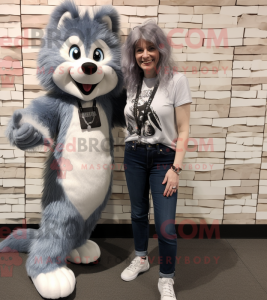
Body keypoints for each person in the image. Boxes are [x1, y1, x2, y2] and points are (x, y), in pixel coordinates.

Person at [120, 20, 192, 300]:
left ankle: (167, 278)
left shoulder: (176, 81)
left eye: (151, 48)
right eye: (139, 50)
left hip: (164, 159)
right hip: (134, 155)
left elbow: (184, 129)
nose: (145, 55)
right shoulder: (130, 82)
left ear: (161, 49)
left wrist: (176, 167)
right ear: (133, 54)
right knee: (138, 213)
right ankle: (141, 258)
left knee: (166, 225)